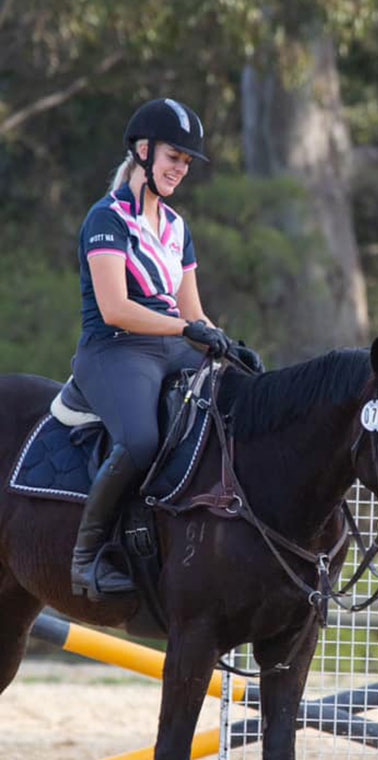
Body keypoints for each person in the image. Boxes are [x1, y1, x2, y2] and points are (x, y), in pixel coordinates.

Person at [70, 97, 254, 601]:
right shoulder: (106, 219)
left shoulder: (176, 228)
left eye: (187, 162)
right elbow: (115, 308)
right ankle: (85, 559)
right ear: (144, 151)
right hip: (114, 350)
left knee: (242, 401)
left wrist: (230, 348)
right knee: (140, 442)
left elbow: (193, 312)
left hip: (169, 345)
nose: (180, 170)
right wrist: (185, 330)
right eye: (174, 157)